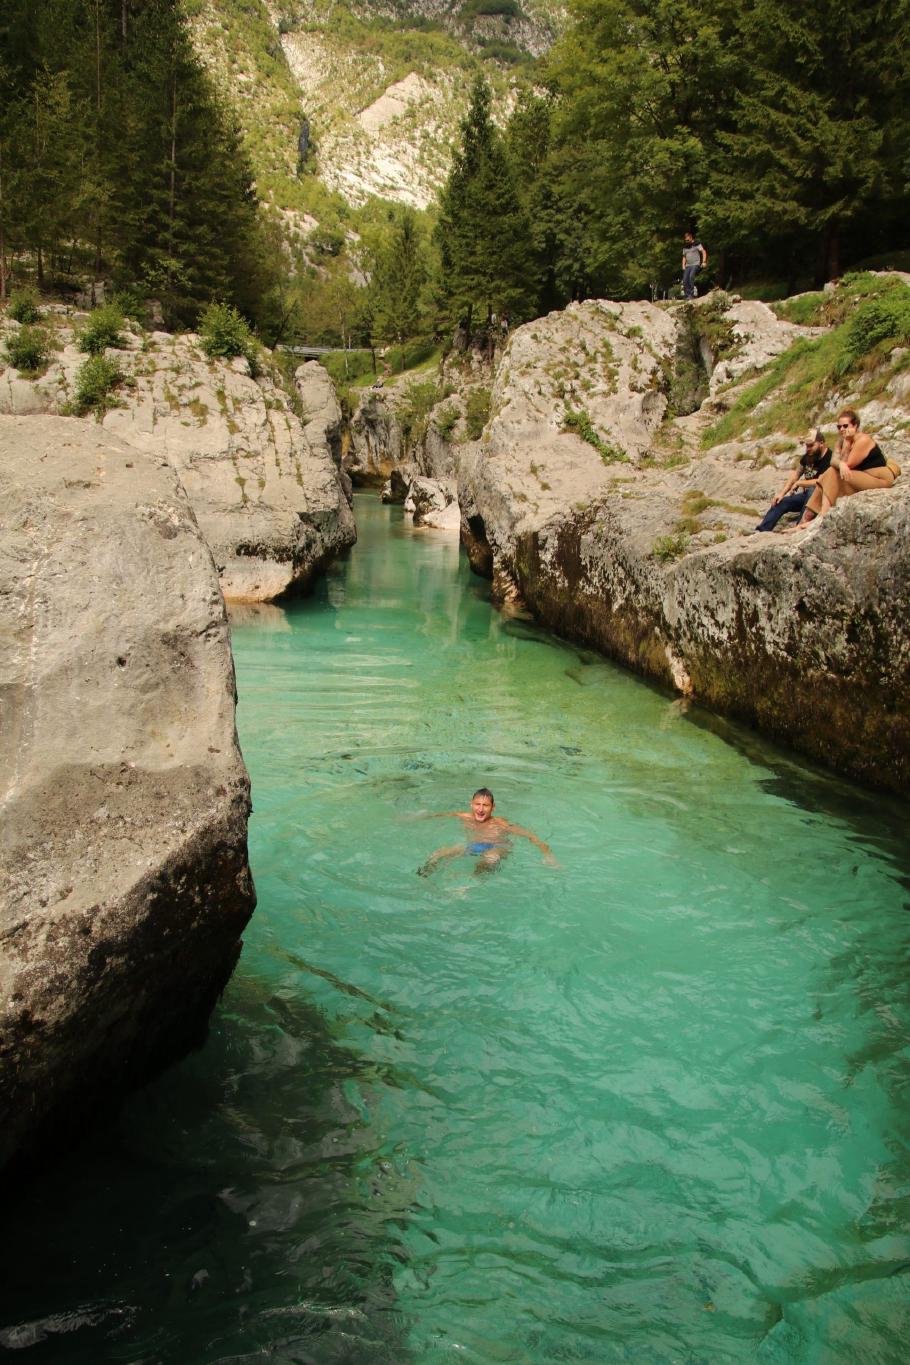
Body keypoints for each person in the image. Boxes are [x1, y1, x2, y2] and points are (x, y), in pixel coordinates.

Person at [788, 409, 896, 528]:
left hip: (879, 478)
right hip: (862, 476)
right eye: (839, 427)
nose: (842, 429)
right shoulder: (841, 441)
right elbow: (833, 461)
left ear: (855, 425)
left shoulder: (863, 440)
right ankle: (805, 519)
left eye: (845, 426)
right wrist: (841, 463)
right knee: (827, 476)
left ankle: (822, 516)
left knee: (833, 473)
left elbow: (847, 465)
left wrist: (844, 454)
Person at [417, 787, 557, 876]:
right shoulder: (464, 817)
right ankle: (423, 876)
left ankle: (469, 883)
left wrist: (548, 855)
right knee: (439, 853)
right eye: (477, 804)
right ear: (471, 804)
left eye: (486, 805)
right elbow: (438, 815)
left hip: (498, 847)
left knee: (491, 857)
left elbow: (531, 836)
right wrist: (419, 816)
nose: (481, 809)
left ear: (493, 807)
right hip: (473, 845)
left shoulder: (500, 823)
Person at [754, 428, 832, 532]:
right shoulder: (808, 456)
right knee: (781, 502)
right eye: (806, 446)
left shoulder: (830, 458)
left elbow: (821, 481)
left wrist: (800, 483)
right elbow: (796, 474)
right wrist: (781, 493)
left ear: (821, 443)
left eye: (811, 445)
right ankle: (762, 530)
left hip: (822, 498)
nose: (808, 449)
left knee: (812, 490)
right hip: (807, 497)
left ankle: (799, 527)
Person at [682, 232, 707, 300]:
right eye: (685, 240)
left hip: (695, 264)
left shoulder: (697, 244)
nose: (686, 241)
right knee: (684, 280)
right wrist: (683, 265)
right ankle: (687, 296)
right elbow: (684, 257)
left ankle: (691, 295)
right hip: (688, 266)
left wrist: (704, 261)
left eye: (688, 240)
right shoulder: (685, 247)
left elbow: (703, 251)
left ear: (691, 237)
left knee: (691, 276)